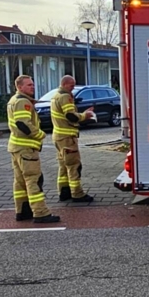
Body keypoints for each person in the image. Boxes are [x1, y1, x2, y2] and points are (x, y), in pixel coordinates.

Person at [7, 75, 59, 223]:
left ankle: (22, 211)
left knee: (20, 181)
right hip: (26, 148)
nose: (32, 87)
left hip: (15, 147)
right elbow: (23, 124)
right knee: (33, 180)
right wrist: (40, 135)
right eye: (29, 85)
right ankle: (40, 213)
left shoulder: (13, 100)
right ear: (20, 87)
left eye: (33, 84)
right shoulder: (23, 102)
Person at [50, 75, 96, 203]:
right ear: (64, 84)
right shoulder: (65, 96)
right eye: (71, 85)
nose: (73, 87)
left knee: (63, 166)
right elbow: (70, 115)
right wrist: (84, 116)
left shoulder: (56, 96)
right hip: (67, 138)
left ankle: (64, 192)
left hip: (59, 137)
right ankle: (77, 194)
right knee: (74, 166)